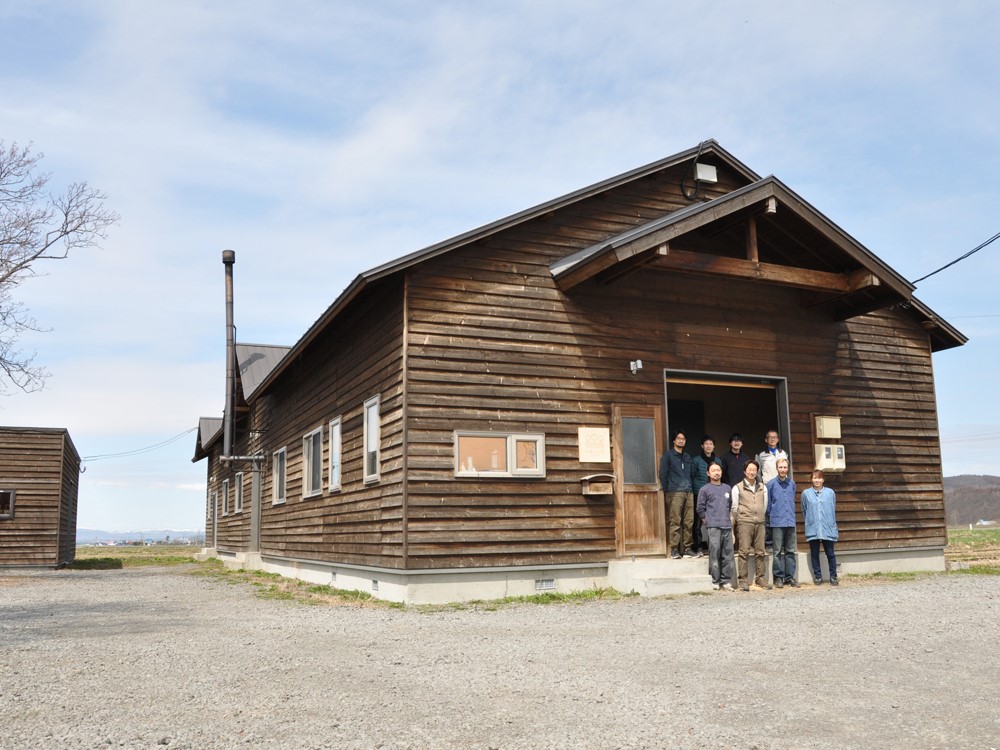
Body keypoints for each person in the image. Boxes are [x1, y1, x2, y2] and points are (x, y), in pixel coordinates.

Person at [731, 459, 771, 590]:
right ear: (745, 471)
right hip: (744, 522)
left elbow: (764, 505)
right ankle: (743, 580)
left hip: (760, 522)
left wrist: (759, 516)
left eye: (754, 470)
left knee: (760, 551)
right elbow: (735, 507)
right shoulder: (737, 487)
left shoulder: (762, 487)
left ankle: (760, 578)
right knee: (743, 551)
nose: (752, 472)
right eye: (749, 470)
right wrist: (742, 518)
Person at [659, 430, 697, 559]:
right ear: (674, 441)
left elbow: (691, 474)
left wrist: (690, 487)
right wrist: (667, 490)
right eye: (678, 438)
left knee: (689, 521)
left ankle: (687, 548)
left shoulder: (687, 457)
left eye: (683, 438)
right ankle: (674, 549)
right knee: (675, 521)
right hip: (674, 491)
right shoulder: (668, 456)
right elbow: (663, 474)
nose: (681, 440)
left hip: (689, 491)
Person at [696, 462, 734, 590]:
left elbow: (730, 505)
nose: (716, 472)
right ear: (708, 473)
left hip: (727, 525)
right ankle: (715, 580)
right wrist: (707, 521)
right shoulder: (705, 489)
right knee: (714, 553)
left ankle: (726, 580)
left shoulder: (727, 488)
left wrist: (729, 521)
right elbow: (700, 508)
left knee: (727, 554)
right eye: (713, 470)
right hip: (713, 526)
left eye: (718, 470)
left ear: (722, 472)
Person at [801, 469, 839, 585]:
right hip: (813, 527)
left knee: (830, 553)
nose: (817, 480)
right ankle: (818, 576)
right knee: (814, 553)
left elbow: (833, 509)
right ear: (811, 480)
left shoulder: (830, 492)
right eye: (814, 478)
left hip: (827, 526)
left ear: (823, 479)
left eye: (819, 478)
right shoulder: (806, 494)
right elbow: (804, 510)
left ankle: (833, 576)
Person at [766, 457, 798, 587]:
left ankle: (790, 577)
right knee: (777, 551)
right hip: (777, 522)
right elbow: (768, 504)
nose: (783, 470)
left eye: (785, 467)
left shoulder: (792, 484)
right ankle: (778, 577)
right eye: (781, 467)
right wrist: (770, 519)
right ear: (777, 468)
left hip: (790, 521)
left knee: (790, 550)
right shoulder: (771, 484)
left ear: (788, 468)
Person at [691, 435, 722, 553]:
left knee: (714, 520)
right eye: (706, 444)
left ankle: (713, 547)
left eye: (711, 444)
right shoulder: (696, 460)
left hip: (715, 494)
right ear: (702, 446)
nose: (709, 446)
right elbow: (692, 476)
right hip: (698, 493)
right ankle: (698, 546)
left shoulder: (718, 461)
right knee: (697, 521)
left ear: (713, 446)